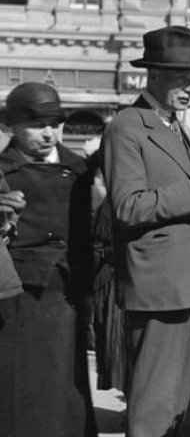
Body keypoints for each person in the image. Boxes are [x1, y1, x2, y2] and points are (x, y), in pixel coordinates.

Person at [101, 26, 190, 437]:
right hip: (159, 286)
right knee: (152, 402)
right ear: (154, 75)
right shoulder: (127, 126)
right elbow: (128, 207)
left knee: (178, 398)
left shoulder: (174, 127)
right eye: (182, 80)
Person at [0, 82, 98, 436]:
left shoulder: (81, 171)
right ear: (11, 126)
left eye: (55, 124)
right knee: (18, 395)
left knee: (64, 393)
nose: (48, 134)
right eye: (37, 125)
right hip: (17, 301)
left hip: (68, 295)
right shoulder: (1, 172)